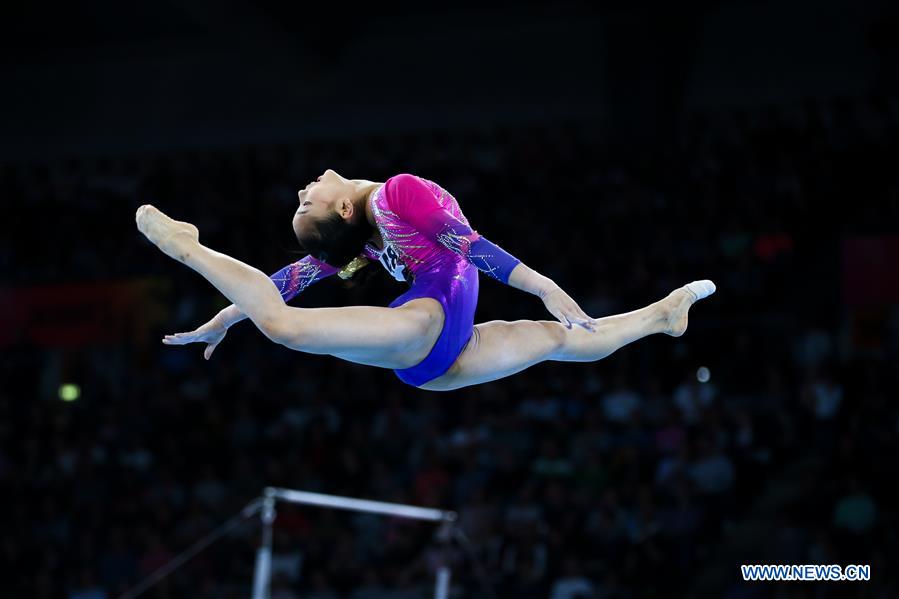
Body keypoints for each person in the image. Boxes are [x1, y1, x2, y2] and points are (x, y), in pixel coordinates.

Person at [136, 170, 715, 391]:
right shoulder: (393, 196)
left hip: (451, 357)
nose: (301, 191)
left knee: (568, 340)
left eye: (300, 201)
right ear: (341, 211)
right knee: (281, 325)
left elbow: (286, 276)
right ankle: (187, 246)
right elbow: (468, 246)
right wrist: (539, 283)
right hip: (429, 322)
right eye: (306, 203)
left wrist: (223, 318)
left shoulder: (370, 227)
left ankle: (662, 315)